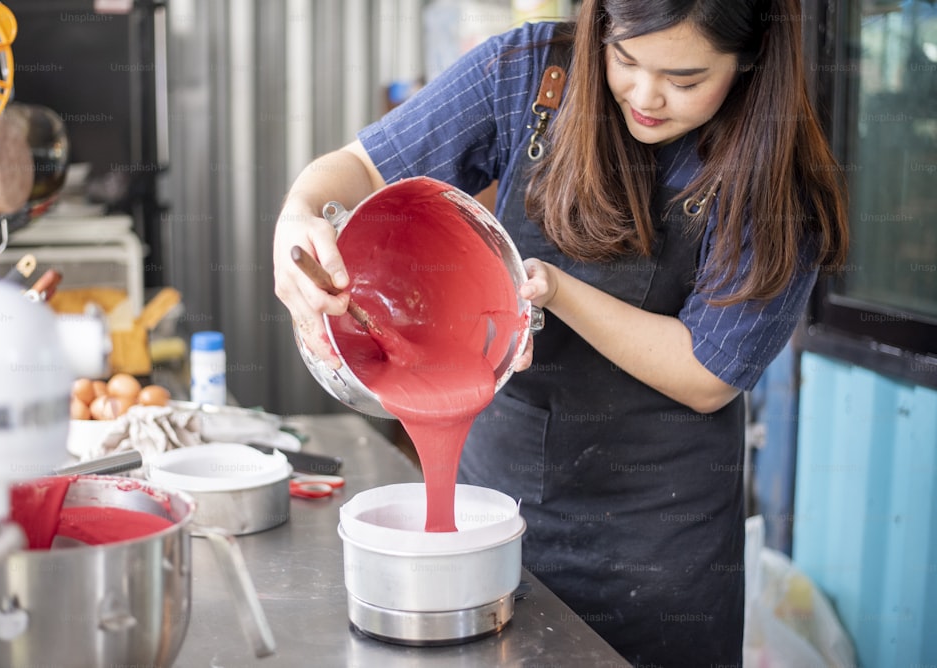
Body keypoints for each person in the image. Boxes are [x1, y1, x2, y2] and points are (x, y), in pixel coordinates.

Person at [272, 0, 849, 664]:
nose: (645, 94)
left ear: (751, 60)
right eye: (624, 58)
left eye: (685, 79)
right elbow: (364, 167)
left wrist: (558, 291)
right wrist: (299, 214)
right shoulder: (528, 75)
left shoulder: (779, 181)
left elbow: (708, 375)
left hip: (655, 553)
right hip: (489, 507)